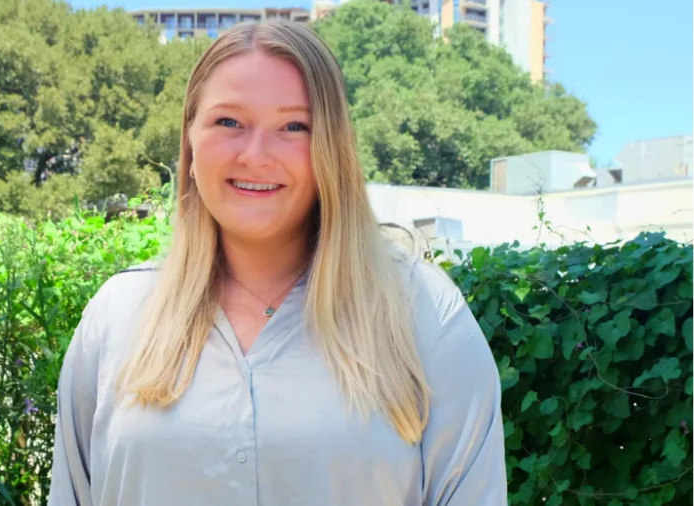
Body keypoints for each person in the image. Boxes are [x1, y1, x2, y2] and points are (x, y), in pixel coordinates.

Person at [48, 20, 506, 506]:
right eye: (229, 122)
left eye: (293, 126)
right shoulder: (117, 317)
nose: (256, 155)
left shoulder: (424, 313)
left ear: (333, 146)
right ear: (190, 139)